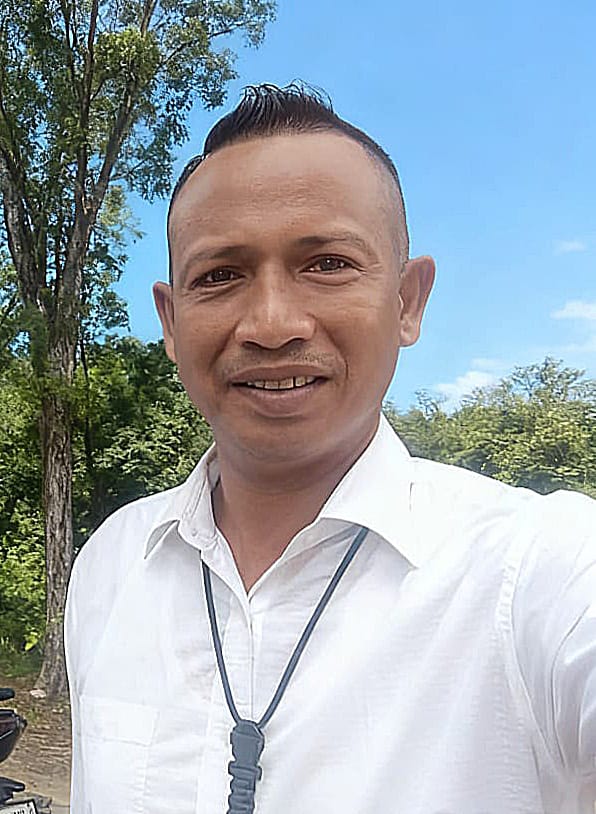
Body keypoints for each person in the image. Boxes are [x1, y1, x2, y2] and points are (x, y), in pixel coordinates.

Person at [65, 83, 596, 814]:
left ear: (408, 301)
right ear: (171, 320)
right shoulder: (113, 564)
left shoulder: (541, 571)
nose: (272, 324)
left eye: (328, 264)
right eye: (220, 276)